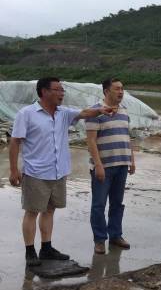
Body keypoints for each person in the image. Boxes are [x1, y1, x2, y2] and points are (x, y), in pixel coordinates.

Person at [9, 77, 114, 267]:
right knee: (32, 211)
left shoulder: (63, 113)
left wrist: (100, 110)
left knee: (50, 210)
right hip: (36, 173)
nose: (62, 93)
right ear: (43, 91)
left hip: (58, 172)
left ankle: (46, 248)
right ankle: (30, 251)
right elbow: (15, 141)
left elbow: (83, 113)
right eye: (57, 90)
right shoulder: (26, 114)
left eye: (62, 90)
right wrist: (14, 170)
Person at [85, 78, 135, 254]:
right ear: (106, 91)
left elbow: (127, 137)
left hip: (122, 164)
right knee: (98, 204)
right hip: (103, 167)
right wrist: (98, 165)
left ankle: (115, 235)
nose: (121, 92)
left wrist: (132, 159)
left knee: (117, 203)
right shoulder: (95, 111)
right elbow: (90, 141)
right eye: (117, 89)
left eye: (122, 89)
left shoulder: (124, 111)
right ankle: (99, 240)